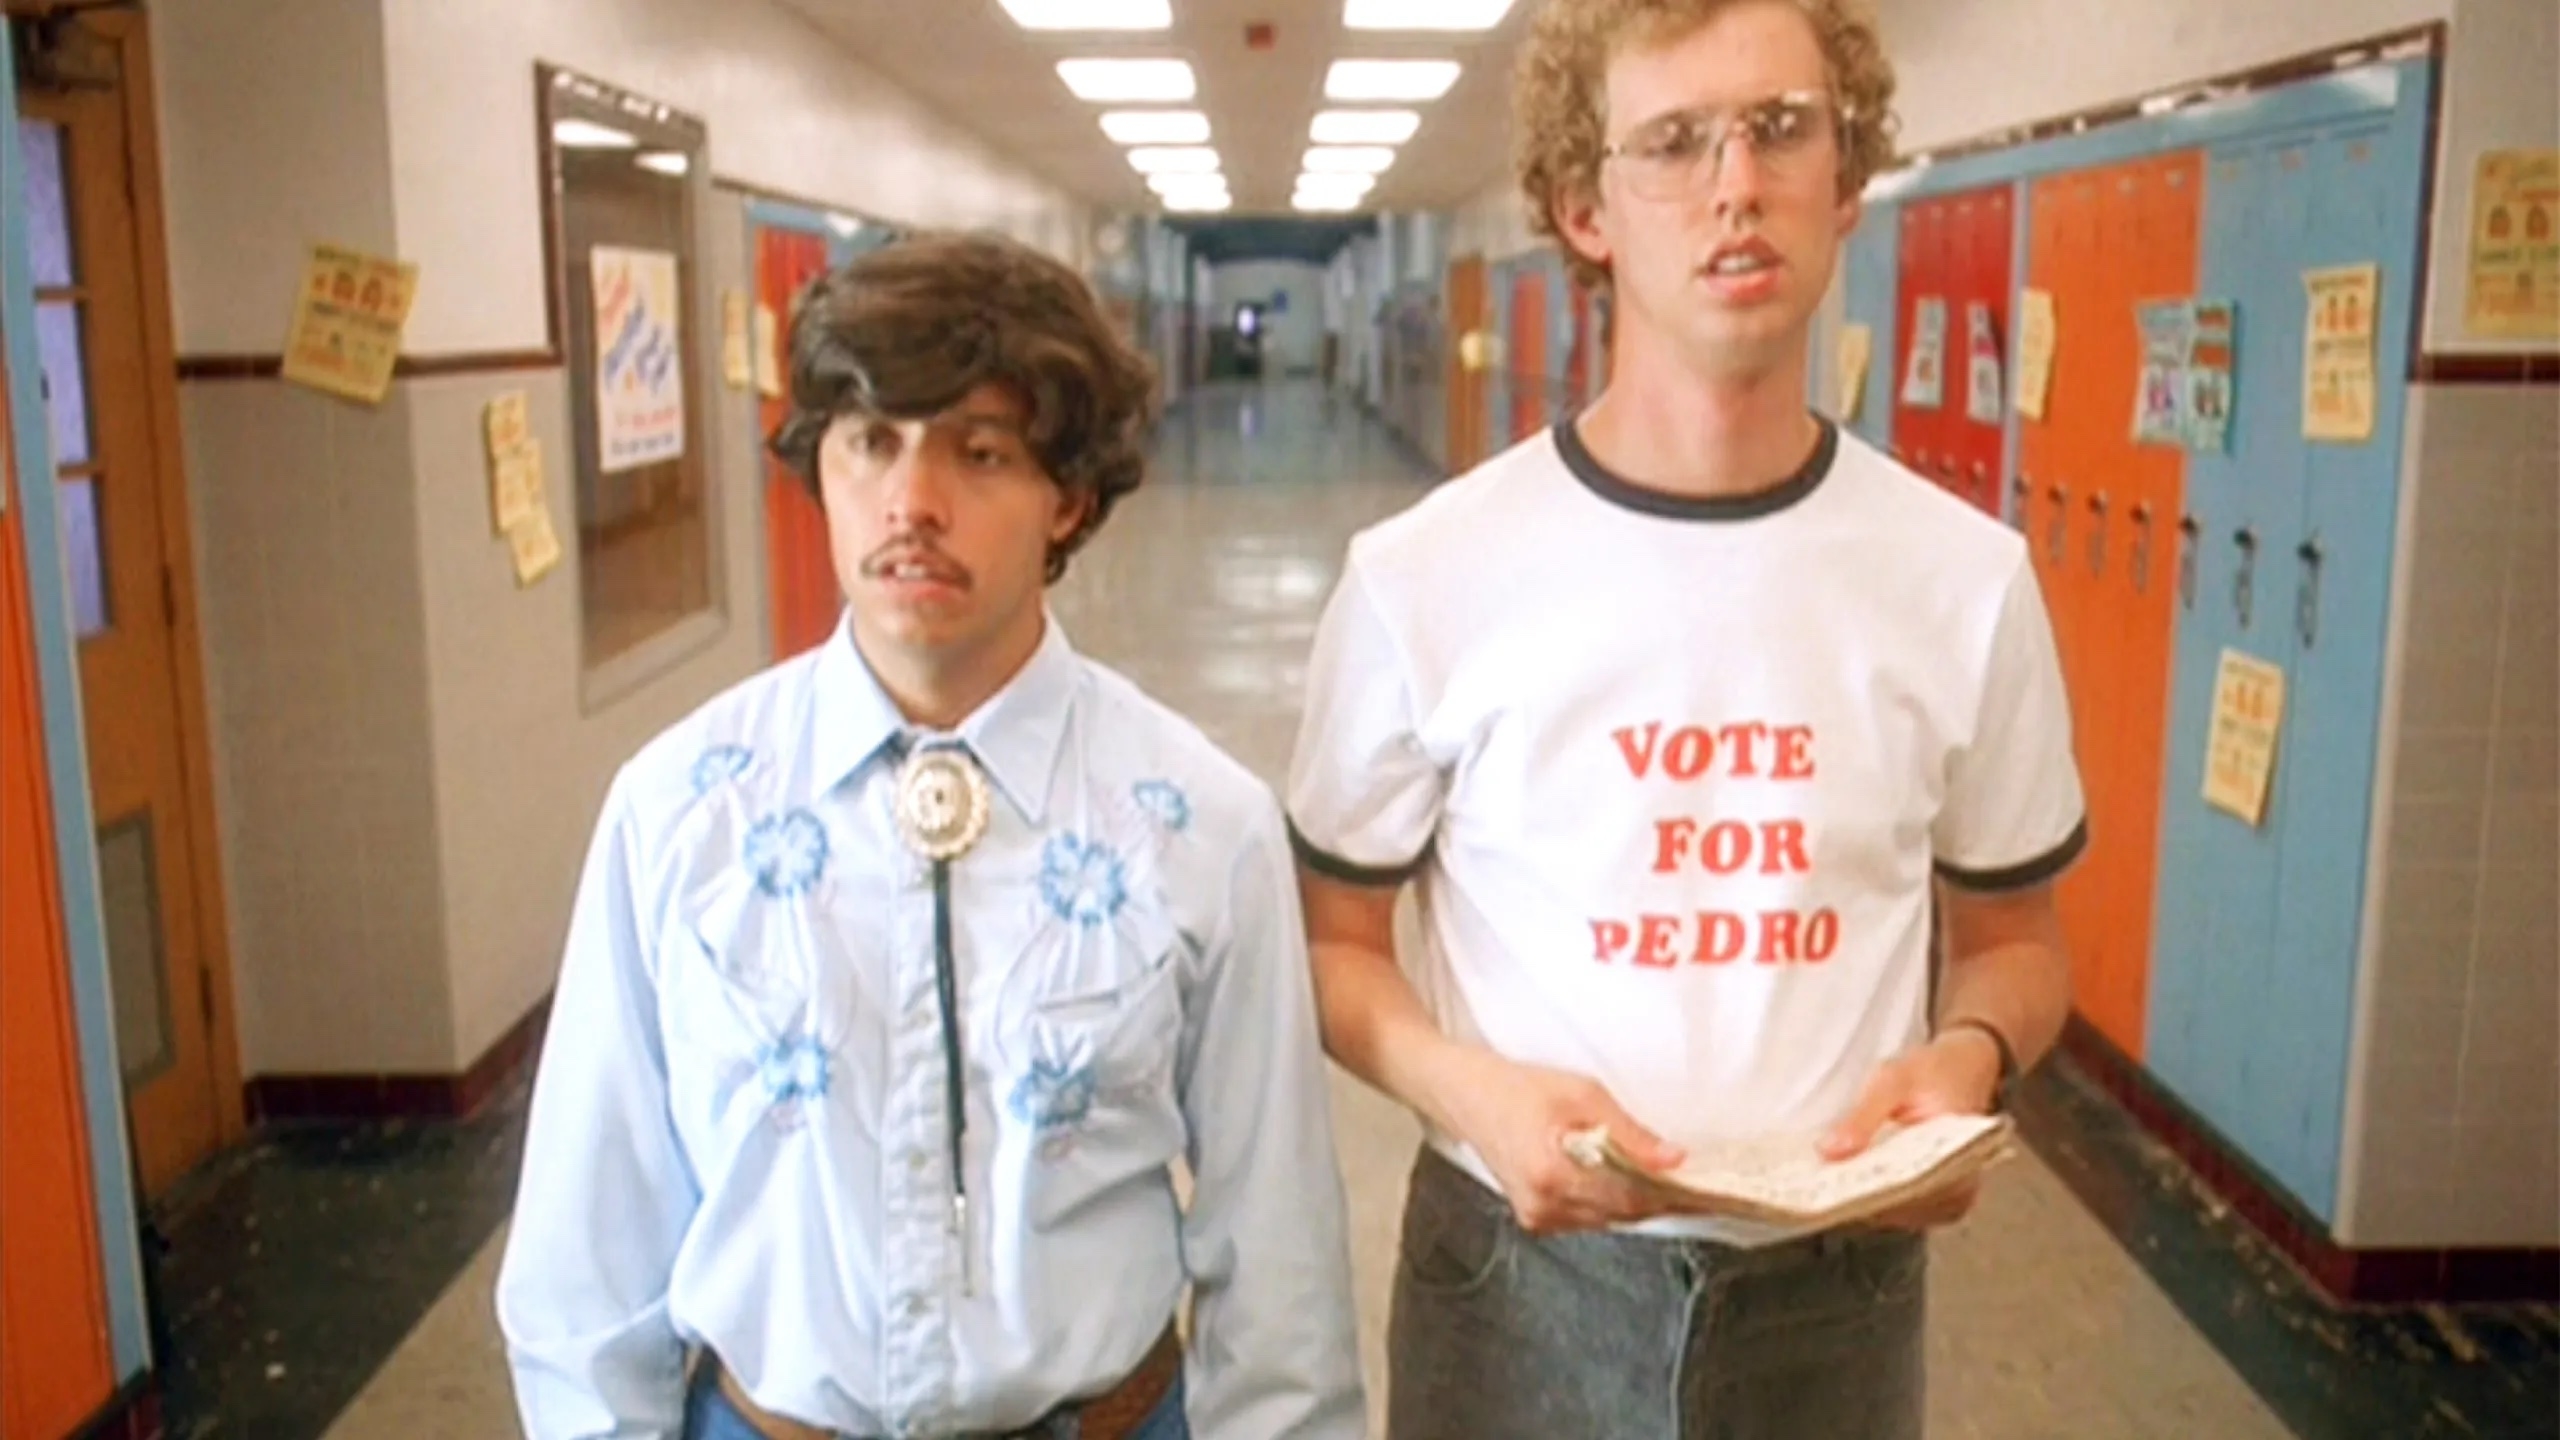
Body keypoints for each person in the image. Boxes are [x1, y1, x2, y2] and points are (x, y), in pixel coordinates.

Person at [1284, 2, 2085, 1437]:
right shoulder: (1427, 577)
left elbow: (2018, 942)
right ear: (1584, 209)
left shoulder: (1964, 581)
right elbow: (1334, 947)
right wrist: (1468, 1090)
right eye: (1673, 143)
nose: (1736, 185)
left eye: (1781, 129)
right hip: (1514, 1286)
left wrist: (1967, 1060)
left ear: (1847, 181)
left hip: (1836, 1300)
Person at [497, 231, 1365, 1440]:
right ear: (821, 471)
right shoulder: (681, 809)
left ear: (1065, 493)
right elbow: (586, 1257)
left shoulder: (1199, 823)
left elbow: (1278, 1264)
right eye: (871, 443)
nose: (912, 502)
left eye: (981, 452)